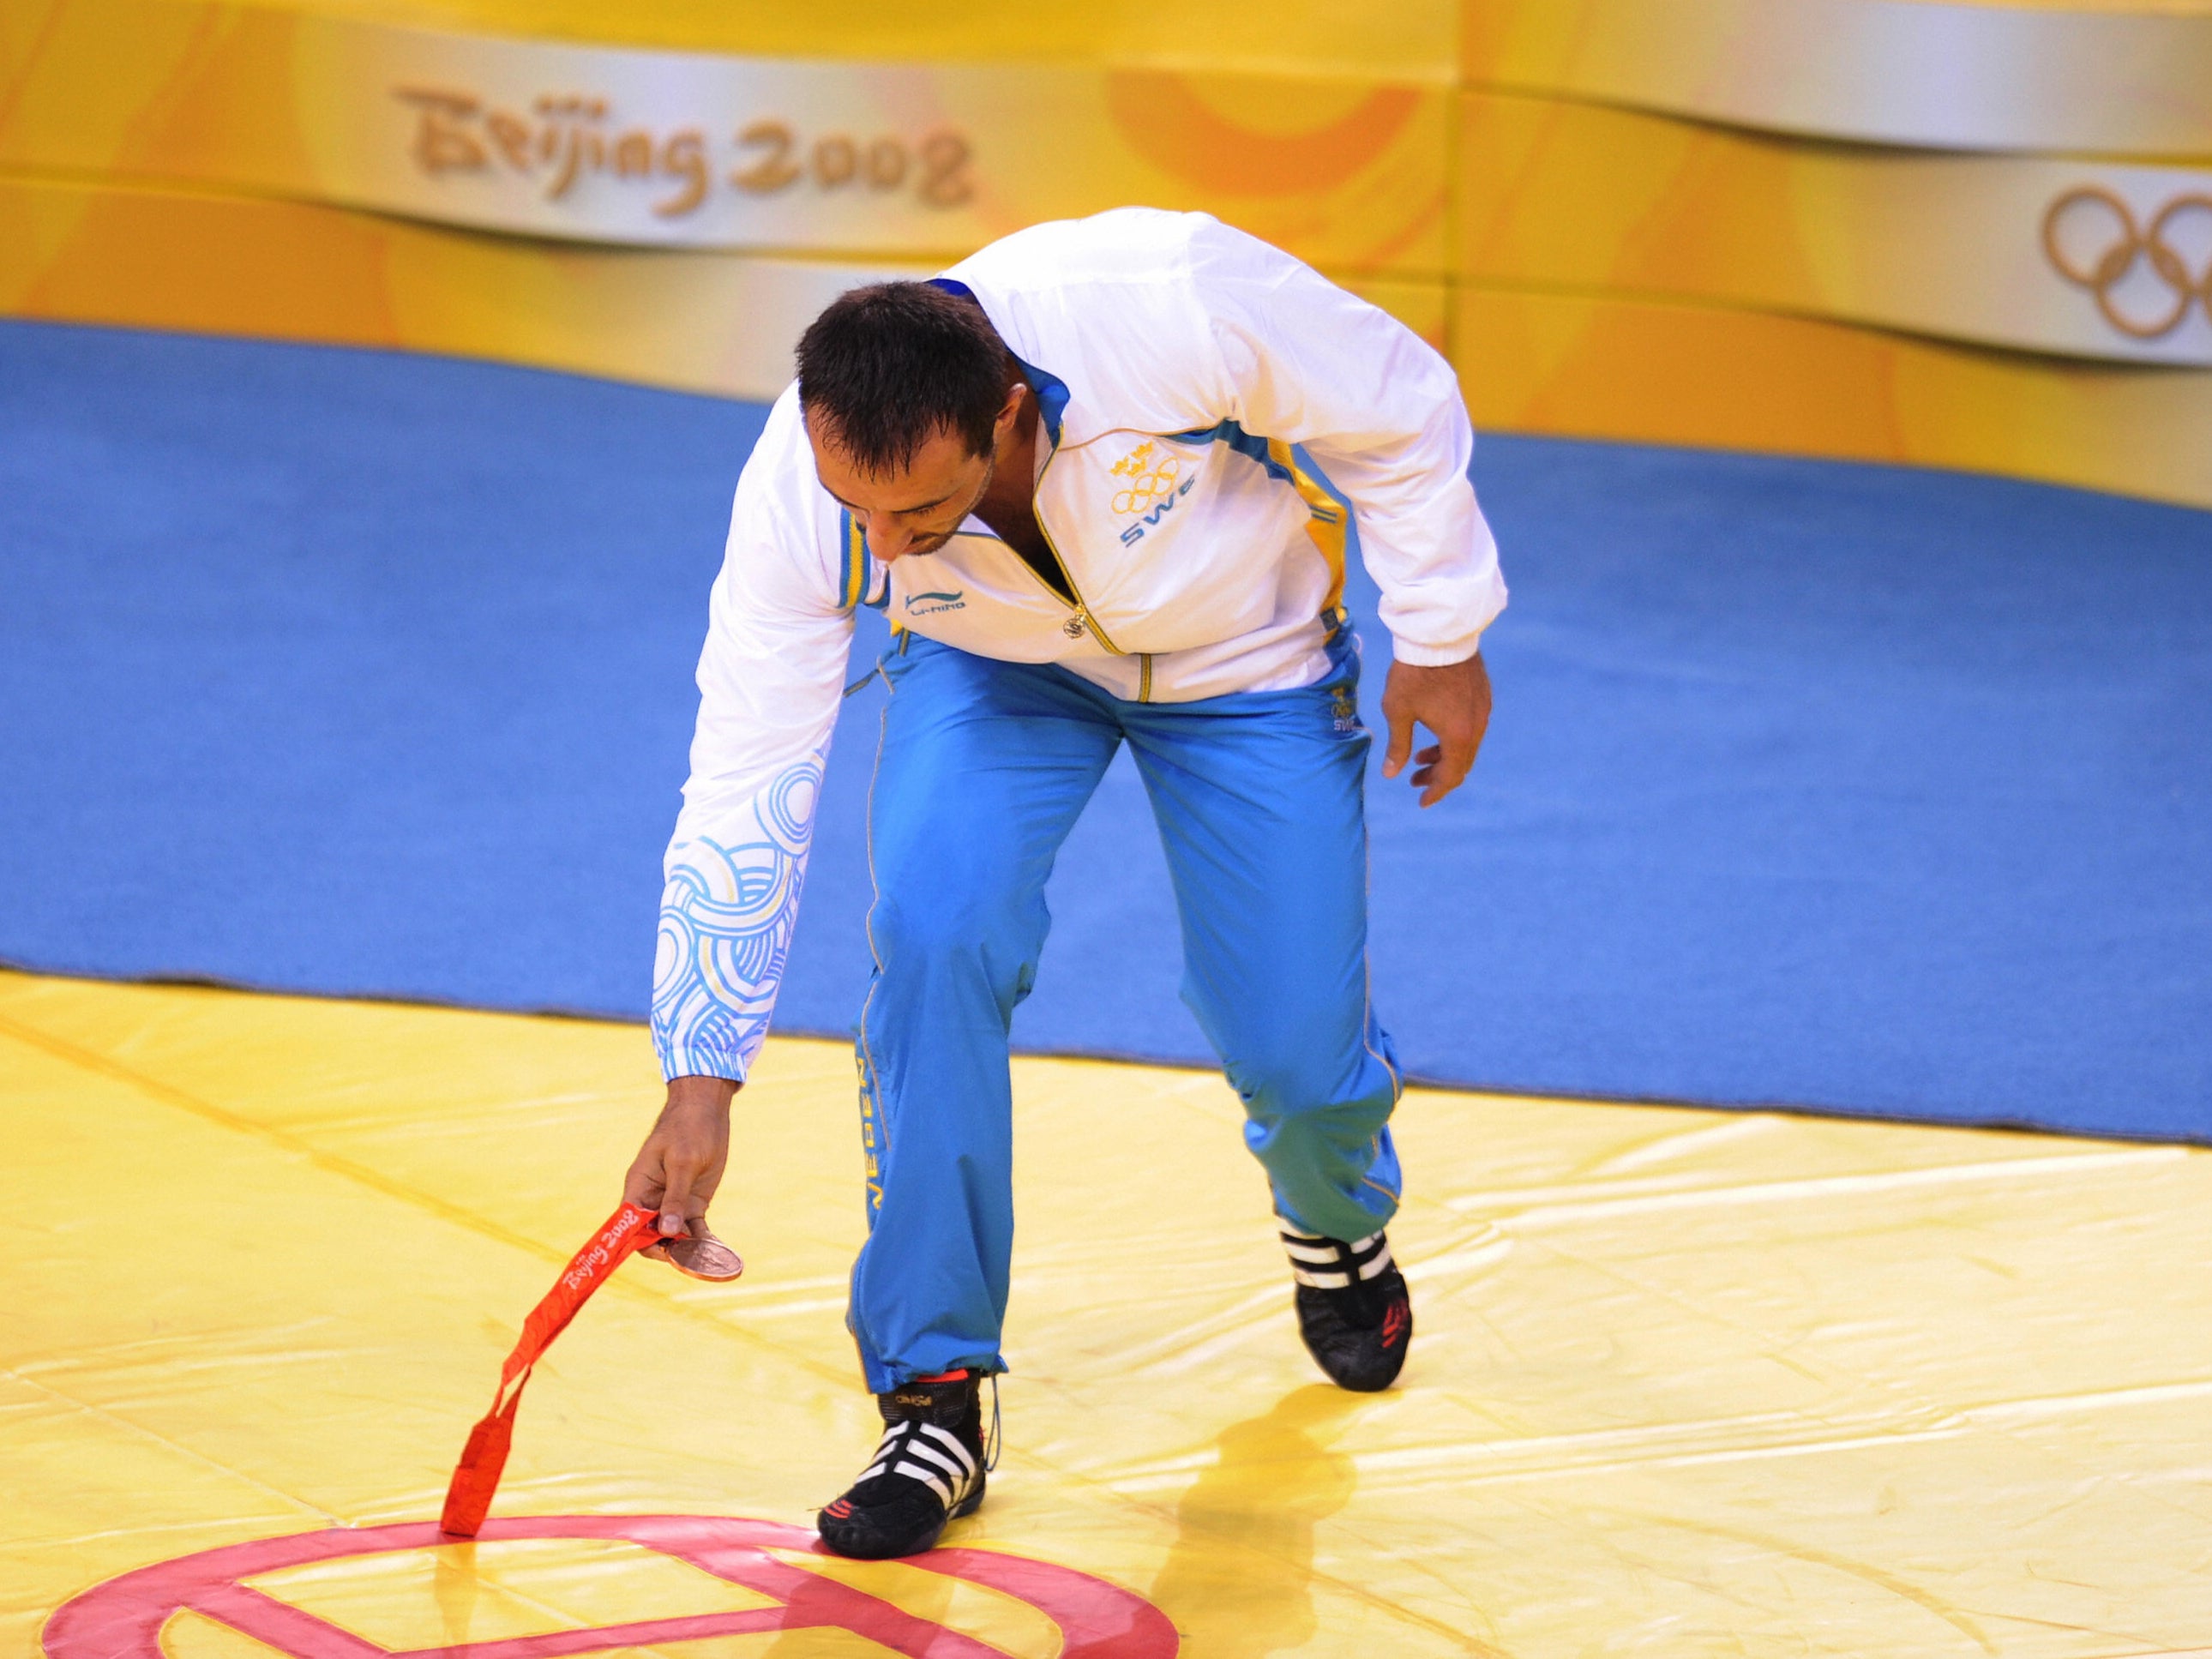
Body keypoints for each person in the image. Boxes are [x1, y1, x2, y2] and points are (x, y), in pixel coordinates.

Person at [621, 207, 1506, 1560]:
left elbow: (1397, 403)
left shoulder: (1170, 301)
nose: (892, 543)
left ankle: (1337, 1223)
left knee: (1295, 1052)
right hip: (990, 677)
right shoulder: (811, 494)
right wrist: (701, 1071)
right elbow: (747, 771)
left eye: (922, 506)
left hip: (1244, 666)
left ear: (1010, 414)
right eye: (863, 512)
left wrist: (1439, 632)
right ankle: (934, 1391)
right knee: (931, 938)